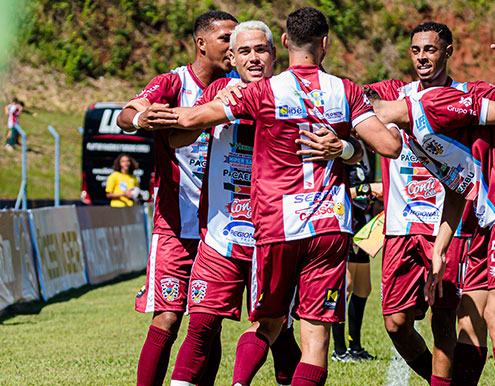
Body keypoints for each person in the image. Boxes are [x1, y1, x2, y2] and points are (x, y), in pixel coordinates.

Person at [162, 8, 402, 385]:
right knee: (307, 336)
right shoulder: (345, 90)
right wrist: (350, 146)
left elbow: (189, 121)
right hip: (301, 226)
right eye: (244, 52)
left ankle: (240, 382)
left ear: (282, 46)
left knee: (272, 325)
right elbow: (388, 145)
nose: (253, 58)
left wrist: (142, 116)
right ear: (324, 44)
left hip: (276, 227)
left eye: (261, 50)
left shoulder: (261, 93)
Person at [364, 22, 495, 385]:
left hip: (486, 213)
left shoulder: (465, 95)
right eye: (416, 50)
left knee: (476, 318)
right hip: (436, 220)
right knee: (422, 321)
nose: (422, 57)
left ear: (448, 51)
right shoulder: (400, 96)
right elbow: (349, 100)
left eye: (430, 49)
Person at [115, 10, 239, 386]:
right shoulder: (172, 82)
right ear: (201, 43)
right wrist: (140, 120)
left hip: (221, 227)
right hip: (173, 225)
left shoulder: (238, 86)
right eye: (225, 39)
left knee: (208, 322)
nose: (233, 48)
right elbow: (126, 113)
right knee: (167, 319)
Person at [331, 160, 377, 362]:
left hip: (361, 226)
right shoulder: (340, 152)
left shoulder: (364, 153)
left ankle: (356, 347)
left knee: (363, 288)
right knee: (346, 286)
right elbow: (336, 192)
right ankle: (339, 351)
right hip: (344, 224)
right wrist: (367, 188)